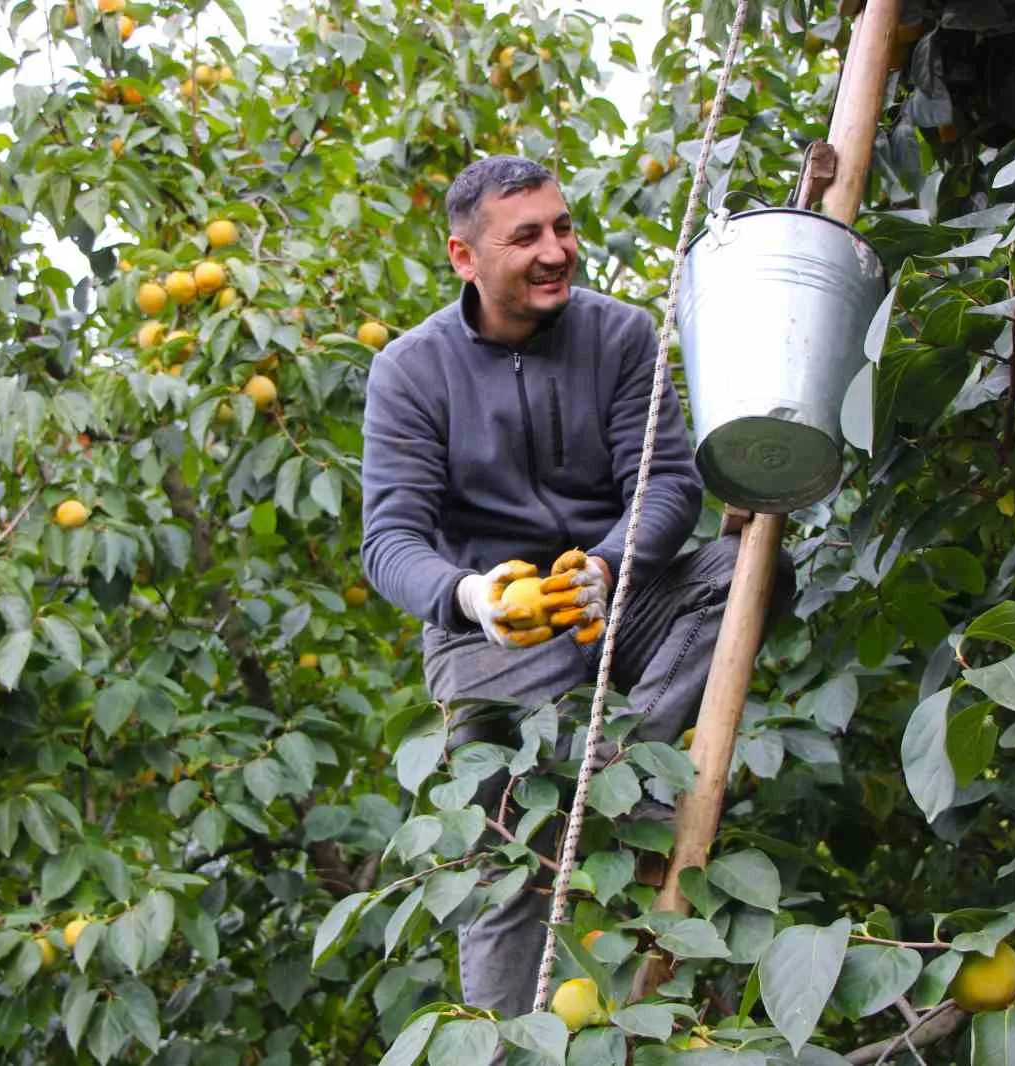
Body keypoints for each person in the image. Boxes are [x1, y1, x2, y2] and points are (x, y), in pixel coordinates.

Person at [359, 155, 789, 1020]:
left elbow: (667, 481)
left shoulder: (624, 335)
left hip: (617, 600)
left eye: (562, 226)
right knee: (514, 867)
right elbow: (390, 540)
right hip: (495, 644)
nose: (557, 249)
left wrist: (604, 562)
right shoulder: (410, 371)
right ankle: (503, 1042)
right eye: (527, 237)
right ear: (464, 258)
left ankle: (616, 760)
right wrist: (474, 597)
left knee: (748, 570)